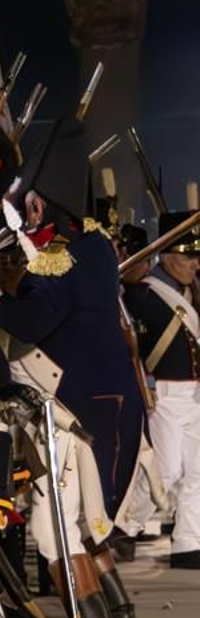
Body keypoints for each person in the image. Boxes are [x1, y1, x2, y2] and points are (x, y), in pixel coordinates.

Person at [0, 113, 147, 618]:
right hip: (98, 403)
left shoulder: (57, 254)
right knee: (82, 524)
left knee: (52, 531)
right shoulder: (96, 247)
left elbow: (34, 320)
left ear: (38, 206)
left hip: (73, 407)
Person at [124, 210, 200, 569]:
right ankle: (127, 526)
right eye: (188, 257)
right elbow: (131, 347)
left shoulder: (194, 294)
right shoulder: (142, 295)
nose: (194, 264)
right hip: (164, 393)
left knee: (198, 472)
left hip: (195, 394)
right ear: (168, 257)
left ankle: (189, 542)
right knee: (165, 470)